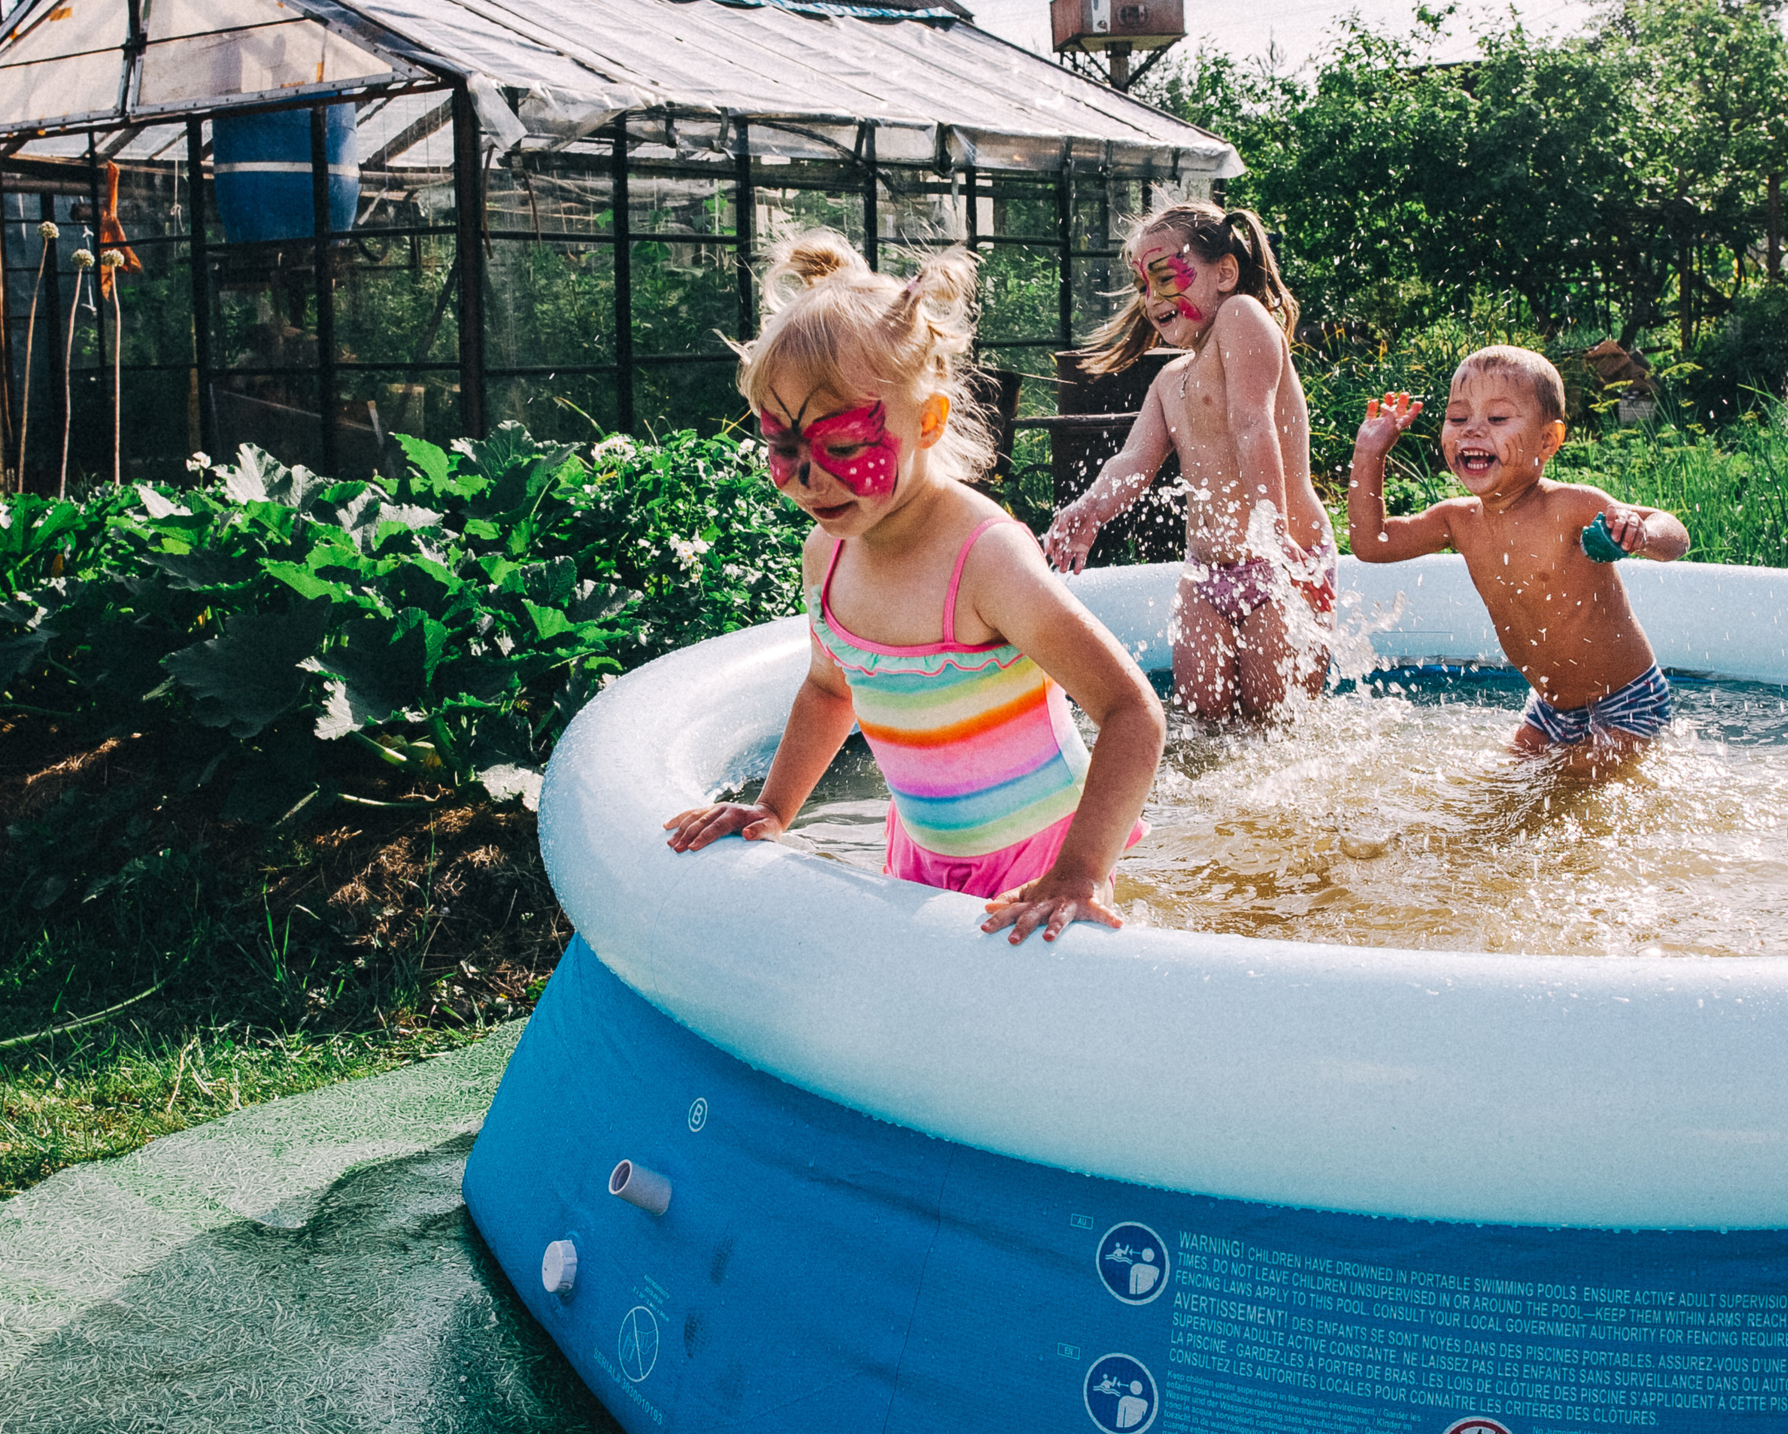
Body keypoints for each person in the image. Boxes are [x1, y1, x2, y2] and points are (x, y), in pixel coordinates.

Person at [663, 233, 1165, 945]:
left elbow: (1131, 712)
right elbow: (830, 691)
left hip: (1041, 864)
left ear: (926, 420)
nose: (811, 477)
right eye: (784, 448)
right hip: (922, 854)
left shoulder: (983, 559)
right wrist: (772, 808)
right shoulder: (828, 554)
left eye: (842, 446)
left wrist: (1079, 871)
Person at [1042, 203, 1334, 722]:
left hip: (1282, 559)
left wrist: (1272, 529)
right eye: (1143, 287)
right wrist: (1087, 510)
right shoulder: (1168, 380)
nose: (1152, 300)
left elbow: (1252, 425)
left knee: (1275, 732)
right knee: (1203, 731)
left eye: (1164, 278)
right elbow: (1132, 463)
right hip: (1205, 576)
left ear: (1225, 273)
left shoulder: (1242, 318)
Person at [1346, 346, 1690, 760]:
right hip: (1549, 710)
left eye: (1497, 418)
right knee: (1503, 790)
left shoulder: (1570, 507)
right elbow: (1371, 544)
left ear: (1548, 440)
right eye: (1458, 418)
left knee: (1578, 791)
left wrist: (1641, 534)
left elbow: (1675, 533)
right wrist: (1370, 454)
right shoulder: (1458, 520)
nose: (1471, 430)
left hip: (1625, 703)